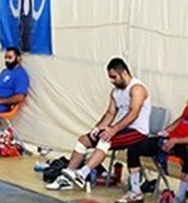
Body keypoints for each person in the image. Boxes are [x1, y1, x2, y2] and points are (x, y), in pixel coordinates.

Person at [117, 74, 188, 203]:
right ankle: (135, 191)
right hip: (173, 139)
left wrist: (176, 141)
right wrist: (167, 131)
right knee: (134, 147)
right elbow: (182, 119)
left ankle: (179, 198)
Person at [48, 58, 151, 191]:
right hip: (122, 129)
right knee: (84, 140)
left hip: (137, 132)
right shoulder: (115, 92)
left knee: (105, 140)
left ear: (124, 73)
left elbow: (133, 114)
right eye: (110, 78)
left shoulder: (137, 89)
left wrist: (112, 130)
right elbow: (110, 114)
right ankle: (67, 177)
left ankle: (82, 174)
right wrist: (97, 128)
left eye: (114, 77)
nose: (112, 81)